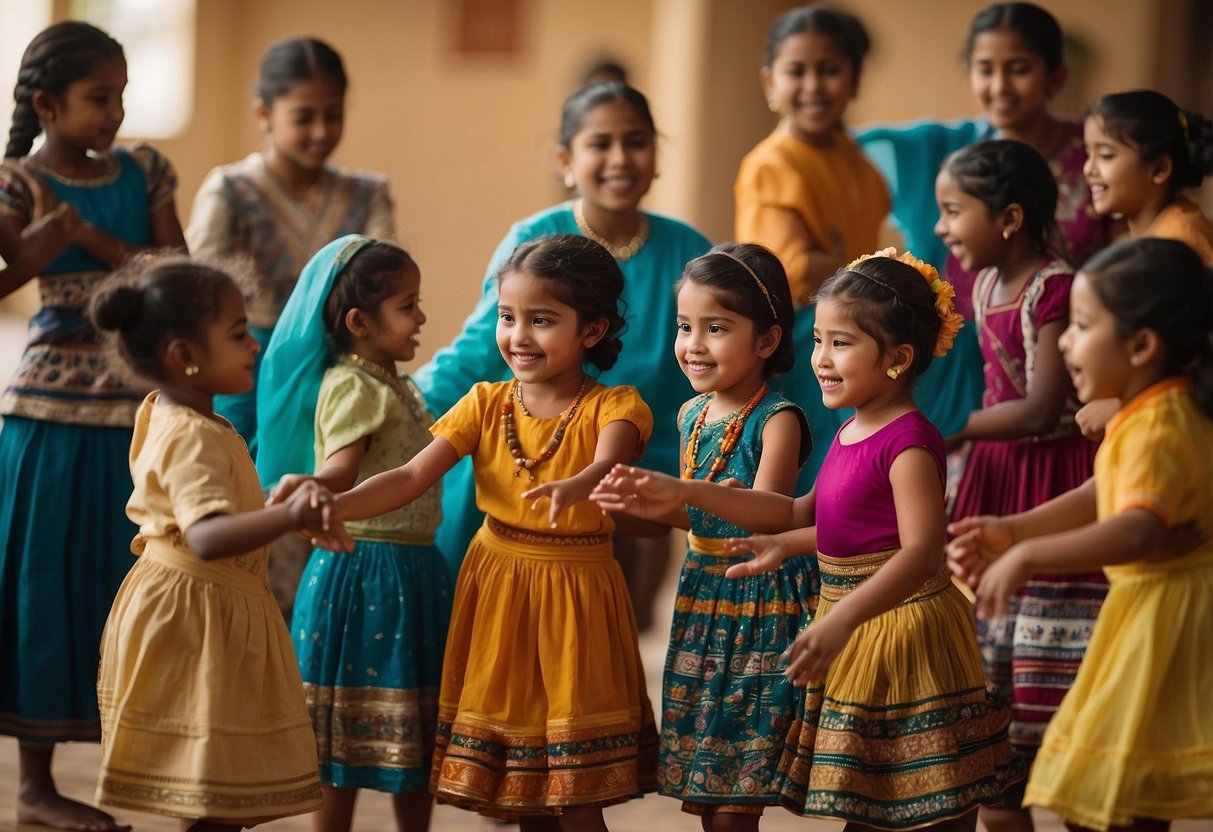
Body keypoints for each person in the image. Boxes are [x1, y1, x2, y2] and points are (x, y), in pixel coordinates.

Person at [595, 250, 1014, 831]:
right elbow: (799, 513)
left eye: (840, 344)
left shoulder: (909, 442)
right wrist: (782, 544)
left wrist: (839, 621)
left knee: (928, 800)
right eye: (817, 340)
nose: (819, 359)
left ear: (898, 359)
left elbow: (920, 552)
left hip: (901, 627)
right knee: (871, 799)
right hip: (854, 620)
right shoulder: (849, 429)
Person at [281, 234, 658, 830]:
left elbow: (611, 461)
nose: (519, 336)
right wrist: (336, 502)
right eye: (509, 318)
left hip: (574, 594)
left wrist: (577, 484)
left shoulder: (615, 404)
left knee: (577, 788)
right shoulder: (485, 402)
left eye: (543, 320)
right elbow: (408, 475)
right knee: (523, 784)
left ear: (591, 330)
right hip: (500, 588)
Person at [412, 81, 710, 629]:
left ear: (656, 155)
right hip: (529, 468)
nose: (620, 158)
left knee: (602, 633)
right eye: (600, 143)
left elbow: (721, 357)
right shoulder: (536, 237)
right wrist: (404, 404)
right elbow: (481, 348)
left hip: (638, 477)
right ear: (566, 160)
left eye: (636, 141)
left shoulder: (689, 250)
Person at [949, 238, 1213, 832]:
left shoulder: (1159, 425)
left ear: (1143, 346)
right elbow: (1104, 491)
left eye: (1084, 326)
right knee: (1121, 794)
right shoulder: (1149, 413)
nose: (1065, 340)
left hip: (1164, 620)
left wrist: (1029, 556)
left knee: (1118, 795)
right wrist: (1014, 528)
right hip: (1146, 610)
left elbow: (1138, 530)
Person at [0, 21, 185, 832]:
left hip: (142, 412)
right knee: (46, 584)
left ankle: (153, 770)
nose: (114, 112)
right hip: (48, 416)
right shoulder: (15, 183)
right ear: (47, 103)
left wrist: (86, 236)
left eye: (120, 97)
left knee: (137, 583)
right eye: (97, 98)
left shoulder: (143, 170)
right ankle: (36, 789)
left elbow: (176, 272)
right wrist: (41, 250)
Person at [89, 255, 334, 830]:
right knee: (216, 798)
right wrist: (289, 514)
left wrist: (274, 504)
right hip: (196, 619)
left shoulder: (178, 414)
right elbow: (206, 535)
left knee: (220, 790)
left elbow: (214, 512)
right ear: (185, 356)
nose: (254, 344)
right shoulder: (191, 434)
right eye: (238, 333)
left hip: (207, 610)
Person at [187, 35, 396, 618]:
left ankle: (322, 671)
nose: (320, 131)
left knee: (342, 519)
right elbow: (201, 298)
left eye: (333, 115)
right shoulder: (230, 191)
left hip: (343, 384)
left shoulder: (367, 193)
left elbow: (383, 289)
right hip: (248, 383)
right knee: (255, 518)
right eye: (303, 117)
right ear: (263, 114)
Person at [935, 139, 1103, 832]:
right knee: (988, 666)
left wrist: (952, 426)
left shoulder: (1052, 287)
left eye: (952, 211)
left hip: (1050, 478)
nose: (942, 228)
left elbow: (1038, 408)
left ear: (1006, 218)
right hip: (995, 477)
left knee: (1047, 657)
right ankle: (1000, 785)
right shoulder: (982, 286)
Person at [257, 235, 451, 832]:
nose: (421, 317)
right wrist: (315, 487)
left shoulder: (399, 384)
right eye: (407, 305)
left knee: (414, 742)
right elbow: (341, 467)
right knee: (337, 747)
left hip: (414, 572)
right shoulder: (353, 386)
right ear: (360, 321)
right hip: (364, 573)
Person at [632, 243, 817, 826]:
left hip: (759, 602)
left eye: (716, 328)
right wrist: (643, 506)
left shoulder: (777, 418)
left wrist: (684, 491)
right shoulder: (691, 414)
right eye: (685, 327)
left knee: (739, 789)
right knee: (710, 793)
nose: (693, 344)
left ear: (766, 341)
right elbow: (702, 520)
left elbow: (770, 514)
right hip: (703, 599)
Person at [734, 4, 891, 484]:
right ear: (769, 84)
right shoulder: (771, 164)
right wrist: (856, 269)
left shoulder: (860, 165)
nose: (814, 85)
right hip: (802, 345)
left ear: (855, 79)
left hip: (858, 335)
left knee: (855, 466)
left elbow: (844, 261)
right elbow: (792, 271)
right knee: (808, 470)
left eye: (830, 70)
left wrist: (840, 260)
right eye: (796, 71)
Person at [1075, 90, 1213, 440]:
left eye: (1105, 155)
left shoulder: (1181, 239)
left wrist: (1120, 406)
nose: (1088, 169)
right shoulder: (1143, 238)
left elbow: (1199, 350)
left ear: (1159, 169)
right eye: (1088, 154)